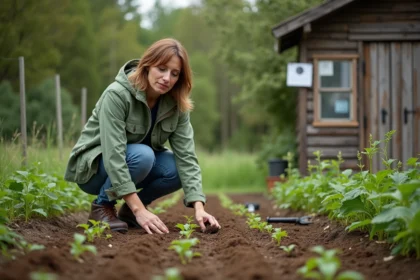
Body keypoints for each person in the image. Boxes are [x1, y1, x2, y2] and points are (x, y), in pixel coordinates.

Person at [64, 38, 221, 234]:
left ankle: (129, 211)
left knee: (176, 168)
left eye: (175, 74)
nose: (167, 78)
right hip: (95, 169)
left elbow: (187, 158)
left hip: (136, 163)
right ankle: (101, 207)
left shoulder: (177, 106)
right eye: (162, 69)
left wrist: (200, 208)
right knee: (144, 155)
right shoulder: (117, 94)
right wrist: (141, 210)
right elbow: (114, 155)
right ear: (147, 65)